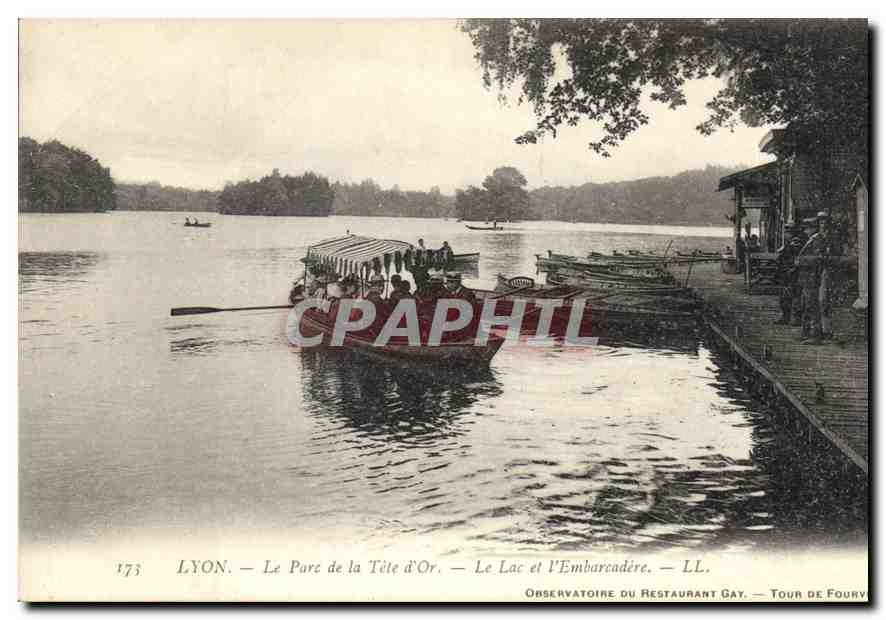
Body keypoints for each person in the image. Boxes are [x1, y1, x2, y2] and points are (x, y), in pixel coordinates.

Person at [795, 212, 829, 344]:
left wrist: (800, 261)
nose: (805, 231)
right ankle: (806, 333)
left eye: (806, 228)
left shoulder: (817, 240)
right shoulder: (813, 239)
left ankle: (815, 335)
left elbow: (817, 259)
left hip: (811, 277)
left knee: (812, 306)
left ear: (812, 228)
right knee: (807, 305)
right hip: (807, 277)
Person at [774, 226, 803, 325]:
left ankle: (796, 318)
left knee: (795, 296)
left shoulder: (796, 242)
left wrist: (792, 269)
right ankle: (785, 316)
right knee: (784, 296)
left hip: (793, 274)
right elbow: (782, 257)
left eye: (789, 232)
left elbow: (796, 259)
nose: (787, 234)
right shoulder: (786, 244)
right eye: (786, 232)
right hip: (785, 273)